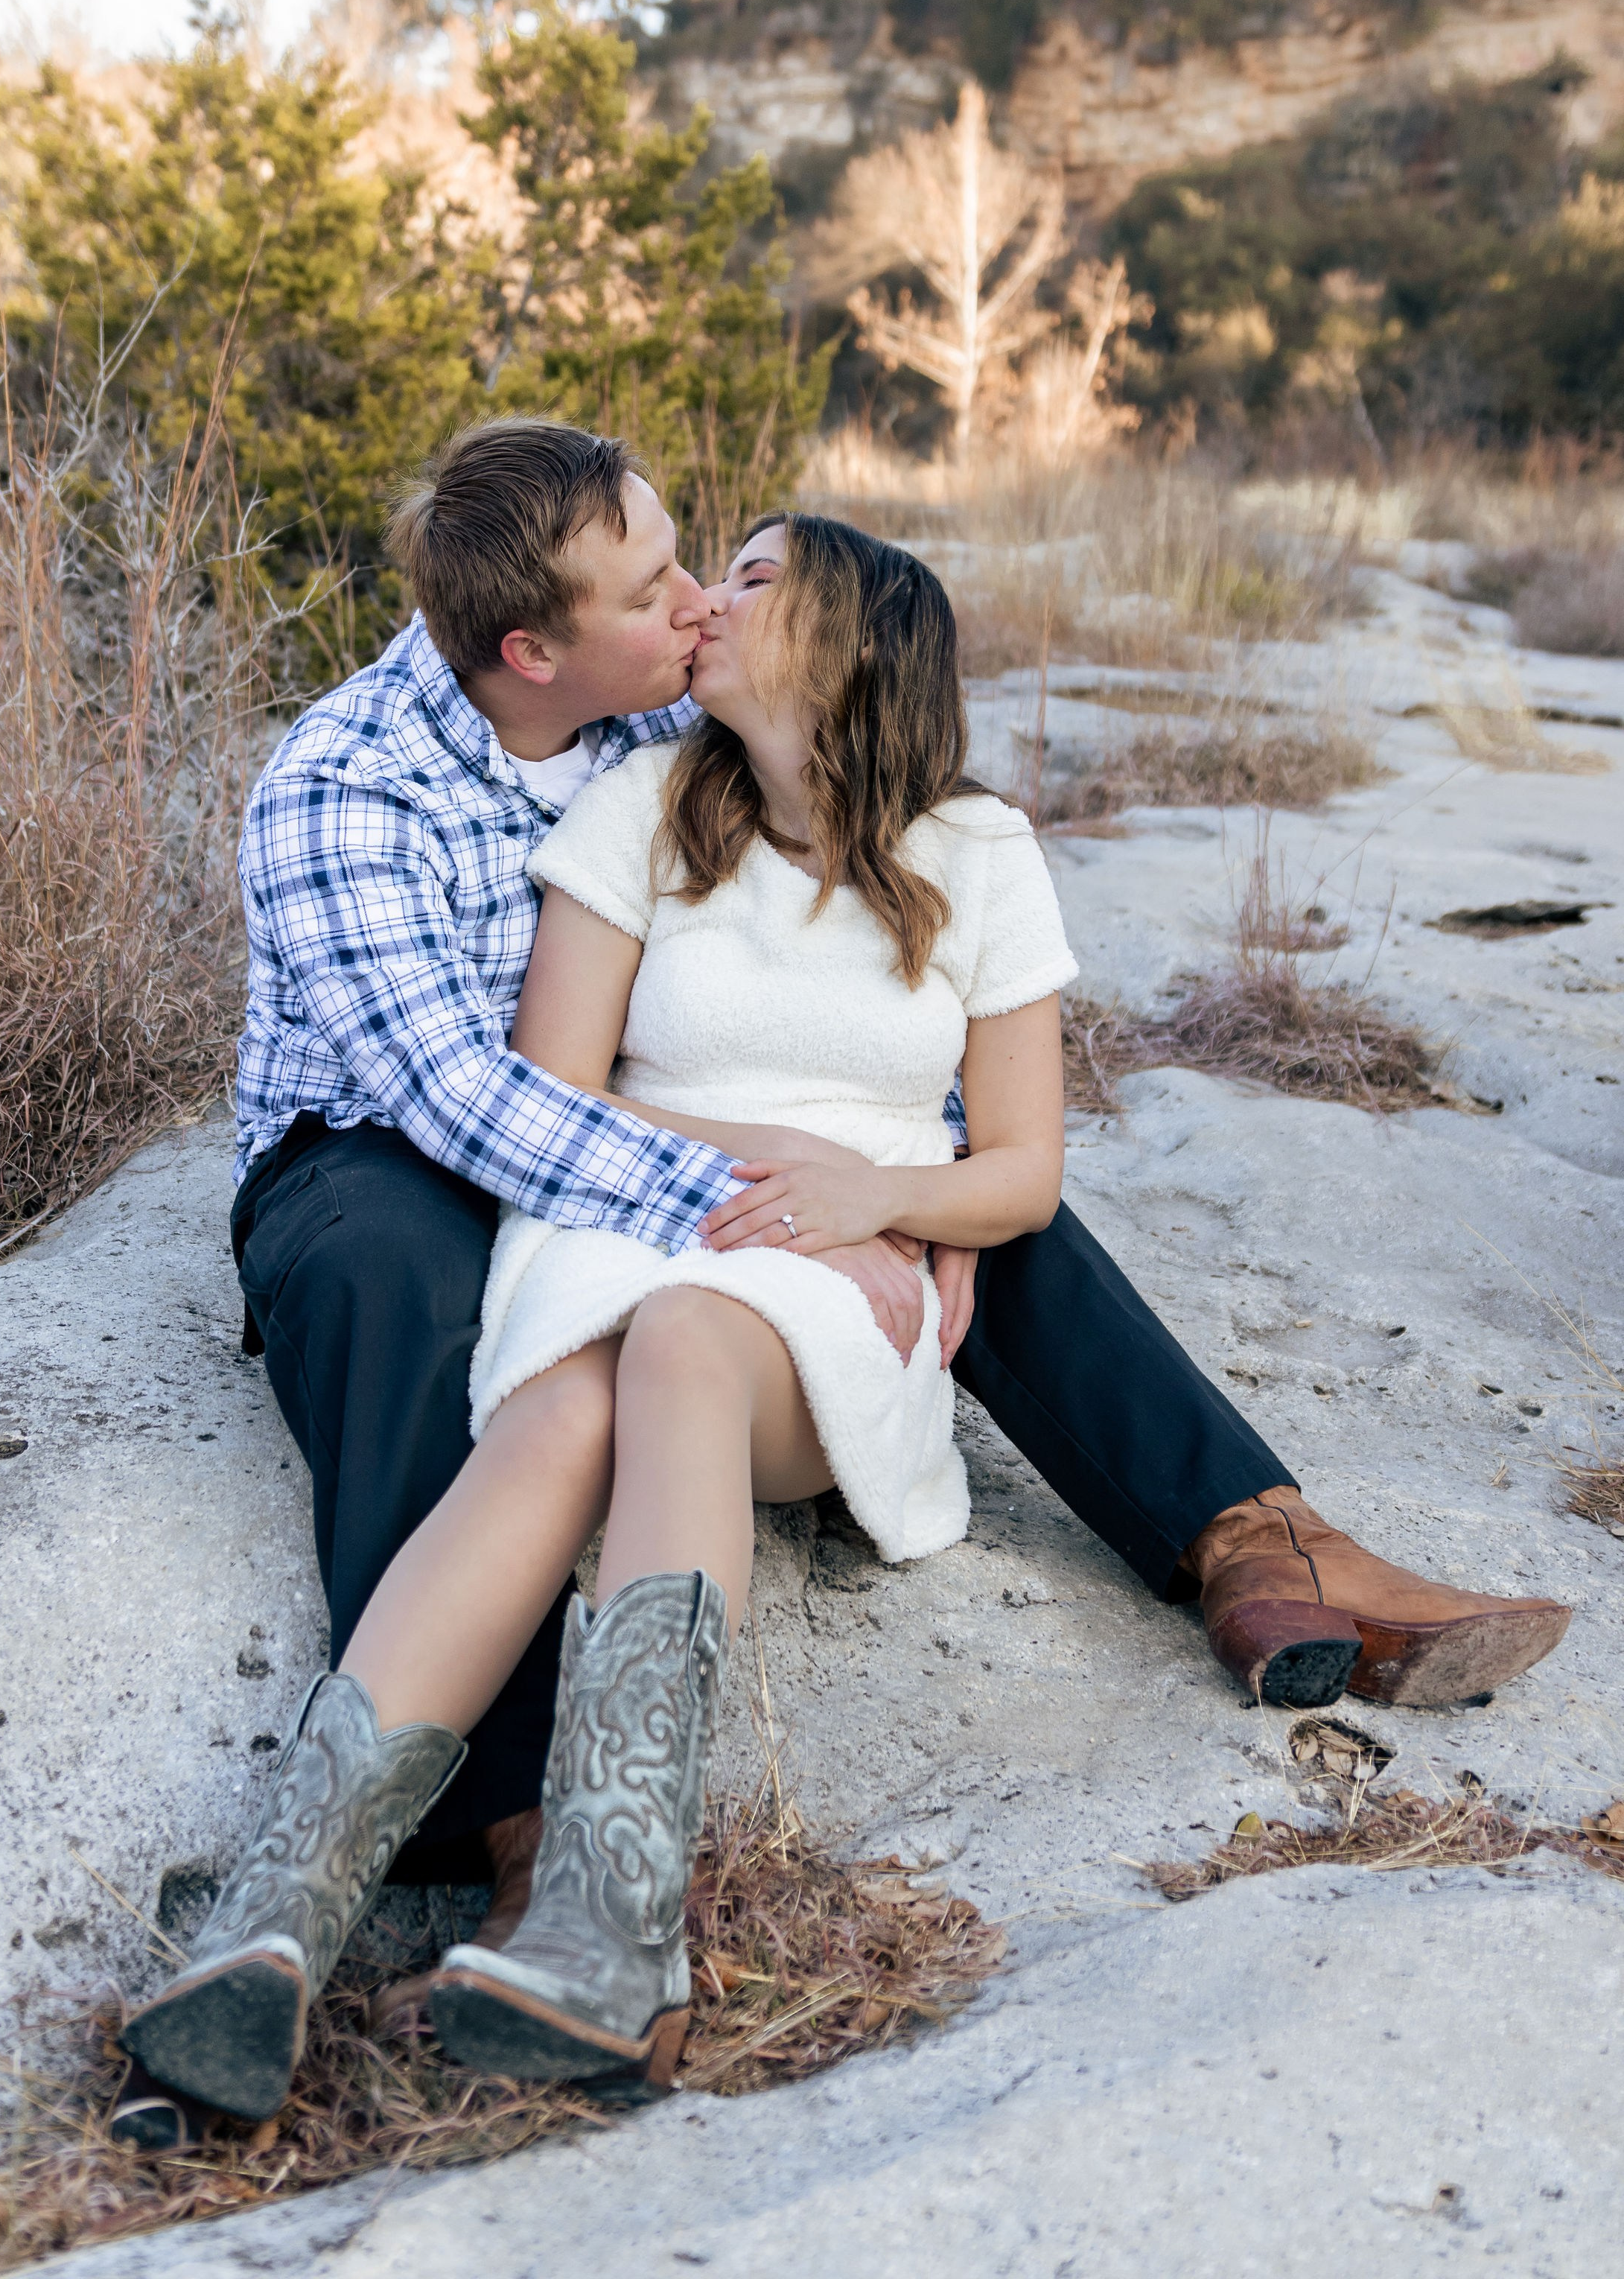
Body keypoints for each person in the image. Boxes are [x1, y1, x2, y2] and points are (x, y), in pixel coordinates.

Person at [113, 423, 1569, 2136]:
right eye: (659, 586)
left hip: (627, 1177)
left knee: (944, 1229)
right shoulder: (352, 780)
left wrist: (915, 1193)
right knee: (408, 1290)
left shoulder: (671, 705)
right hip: (380, 1154)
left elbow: (867, 962)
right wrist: (824, 1197)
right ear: (533, 653)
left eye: (704, 567)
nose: (690, 600)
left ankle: (1249, 1533)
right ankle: (481, 1844)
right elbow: (472, 1099)